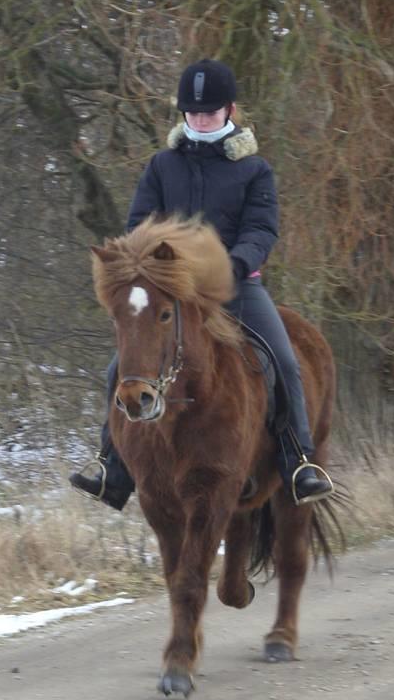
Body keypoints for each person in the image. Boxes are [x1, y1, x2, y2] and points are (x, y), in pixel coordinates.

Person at [70, 58, 333, 510]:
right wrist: (151, 264)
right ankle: (111, 466)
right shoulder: (162, 166)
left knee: (284, 361)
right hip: (171, 292)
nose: (200, 119)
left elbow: (262, 230)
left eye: (209, 112)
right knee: (121, 366)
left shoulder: (255, 170)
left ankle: (297, 461)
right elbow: (140, 224)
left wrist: (233, 264)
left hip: (235, 286)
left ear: (229, 110)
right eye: (192, 113)